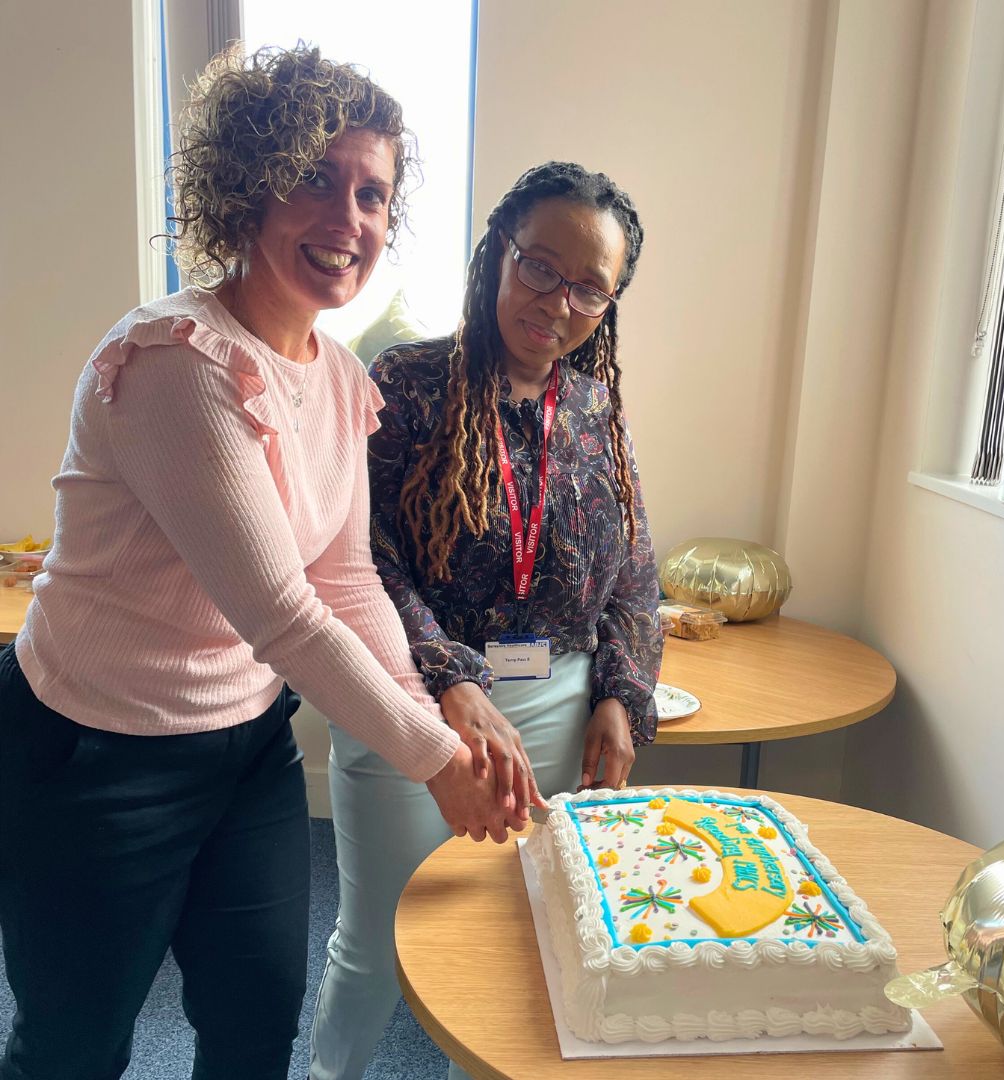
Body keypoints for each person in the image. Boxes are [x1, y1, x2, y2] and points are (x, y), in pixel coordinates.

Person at [0, 45, 534, 1080]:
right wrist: (435, 758)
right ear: (245, 187)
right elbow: (284, 616)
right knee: (74, 1044)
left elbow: (346, 580)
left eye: (372, 193)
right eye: (314, 178)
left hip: (245, 748)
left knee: (252, 1025)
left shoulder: (337, 377)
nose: (349, 219)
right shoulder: (174, 360)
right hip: (94, 756)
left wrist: (448, 695)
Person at [310, 162, 663, 1080]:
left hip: (556, 706)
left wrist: (623, 696)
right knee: (379, 930)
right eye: (541, 267)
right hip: (413, 706)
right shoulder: (408, 383)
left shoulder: (596, 408)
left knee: (525, 934)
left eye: (591, 287)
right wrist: (451, 679)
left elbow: (633, 571)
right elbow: (366, 560)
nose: (559, 302)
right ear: (498, 256)